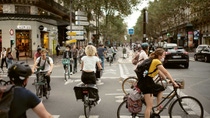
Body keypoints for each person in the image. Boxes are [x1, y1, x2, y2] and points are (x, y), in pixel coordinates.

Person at [137, 48, 179, 118]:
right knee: (149, 106)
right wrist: (173, 82)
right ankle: (155, 108)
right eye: (163, 55)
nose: (164, 57)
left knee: (161, 88)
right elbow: (166, 72)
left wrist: (166, 80)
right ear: (159, 55)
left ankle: (158, 106)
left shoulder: (154, 60)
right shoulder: (156, 61)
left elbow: (159, 72)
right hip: (147, 83)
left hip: (147, 82)